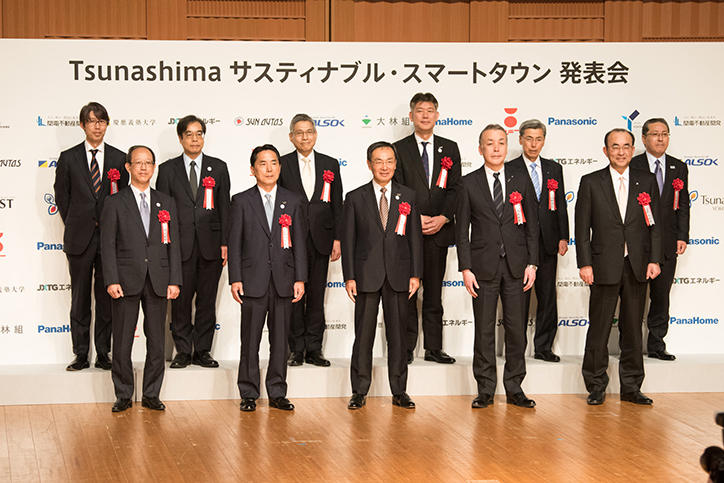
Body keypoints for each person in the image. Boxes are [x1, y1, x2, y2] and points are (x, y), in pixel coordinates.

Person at [575, 128, 662, 406]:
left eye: (626, 146)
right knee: (599, 328)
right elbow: (581, 228)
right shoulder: (590, 182)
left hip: (637, 265)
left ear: (633, 149)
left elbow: (655, 225)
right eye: (615, 146)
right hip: (602, 265)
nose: (621, 151)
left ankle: (632, 387)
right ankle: (595, 385)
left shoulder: (647, 181)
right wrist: (585, 263)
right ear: (606, 151)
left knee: (633, 328)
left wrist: (654, 259)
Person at [456, 124, 539, 409]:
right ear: (480, 149)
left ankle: (515, 388)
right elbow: (462, 230)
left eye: (501, 142)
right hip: (482, 268)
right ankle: (485, 389)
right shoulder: (468, 183)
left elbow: (532, 226)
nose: (495, 148)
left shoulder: (521, 179)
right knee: (484, 331)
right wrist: (466, 268)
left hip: (517, 267)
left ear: (507, 146)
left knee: (516, 330)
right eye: (489, 143)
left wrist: (532, 263)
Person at [101, 145, 182, 412]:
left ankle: (151, 394)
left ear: (154, 167)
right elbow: (107, 245)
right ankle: (124, 394)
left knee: (157, 341)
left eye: (148, 162)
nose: (144, 167)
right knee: (122, 341)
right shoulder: (114, 202)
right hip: (125, 280)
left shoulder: (166, 202)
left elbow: (174, 245)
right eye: (138, 163)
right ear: (128, 167)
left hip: (159, 279)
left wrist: (174, 280)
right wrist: (111, 279)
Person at [342, 141, 423, 410]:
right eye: (379, 161)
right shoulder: (355, 197)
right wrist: (349, 276)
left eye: (389, 161)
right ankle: (359, 391)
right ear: (369, 165)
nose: (384, 166)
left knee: (398, 337)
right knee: (363, 337)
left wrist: (415, 274)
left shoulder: (408, 196)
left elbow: (415, 238)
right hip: (366, 276)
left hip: (399, 276)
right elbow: (349, 241)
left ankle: (399, 391)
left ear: (396, 164)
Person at [228, 145, 307, 412]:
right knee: (250, 340)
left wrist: (300, 278)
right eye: (262, 164)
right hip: (252, 281)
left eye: (273, 163)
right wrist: (235, 278)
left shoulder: (293, 201)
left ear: (280, 167)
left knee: (280, 341)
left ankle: (277, 391)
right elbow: (234, 243)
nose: (269, 168)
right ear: (253, 170)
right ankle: (248, 392)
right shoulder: (241, 201)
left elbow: (300, 243)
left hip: (284, 280)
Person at [54, 101, 128, 371]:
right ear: (82, 125)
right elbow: (62, 198)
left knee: (107, 298)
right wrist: (77, 223)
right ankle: (81, 353)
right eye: (92, 121)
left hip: (110, 240)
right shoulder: (68, 157)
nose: (97, 126)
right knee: (80, 298)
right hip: (80, 239)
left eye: (101, 121)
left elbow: (124, 199)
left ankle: (103, 352)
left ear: (107, 124)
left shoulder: (120, 158)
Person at [156, 115, 230, 369]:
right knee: (180, 302)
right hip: (179, 247)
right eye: (189, 134)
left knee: (207, 301)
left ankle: (203, 351)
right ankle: (183, 351)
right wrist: (166, 247)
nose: (195, 139)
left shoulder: (218, 168)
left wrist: (225, 243)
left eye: (199, 134)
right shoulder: (167, 170)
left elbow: (225, 208)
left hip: (211, 246)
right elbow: (162, 212)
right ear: (180, 138)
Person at [393, 92, 461, 365]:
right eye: (420, 110)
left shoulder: (450, 148)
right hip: (408, 232)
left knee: (433, 293)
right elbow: (396, 188)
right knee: (408, 292)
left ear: (437, 115)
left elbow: (456, 189)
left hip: (439, 232)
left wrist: (444, 217)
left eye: (430, 110)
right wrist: (414, 218)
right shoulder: (399, 149)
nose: (425, 115)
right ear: (411, 116)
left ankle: (434, 348)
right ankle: (406, 347)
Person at [279, 114, 343, 367]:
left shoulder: (330, 164)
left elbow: (337, 203)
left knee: (316, 296)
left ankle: (314, 348)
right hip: (290, 241)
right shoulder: (282, 163)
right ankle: (296, 349)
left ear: (315, 134)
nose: (304, 137)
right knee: (294, 296)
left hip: (321, 239)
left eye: (309, 132)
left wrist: (337, 238)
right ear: (291, 137)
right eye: (299, 132)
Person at [506, 119, 569, 362]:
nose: (533, 144)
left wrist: (563, 236)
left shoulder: (554, 169)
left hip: (548, 242)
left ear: (544, 141)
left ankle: (544, 347)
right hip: (520, 243)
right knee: (519, 298)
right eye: (529, 139)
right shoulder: (509, 168)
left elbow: (560, 205)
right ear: (520, 140)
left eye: (538, 139)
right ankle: (516, 349)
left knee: (547, 296)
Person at [630, 118, 689, 361]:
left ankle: (656, 345)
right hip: (638, 244)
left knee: (661, 296)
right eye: (655, 134)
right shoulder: (632, 164)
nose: (661, 138)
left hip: (667, 243)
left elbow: (683, 205)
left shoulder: (679, 167)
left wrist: (682, 235)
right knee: (634, 298)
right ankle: (630, 346)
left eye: (665, 133)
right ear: (644, 138)